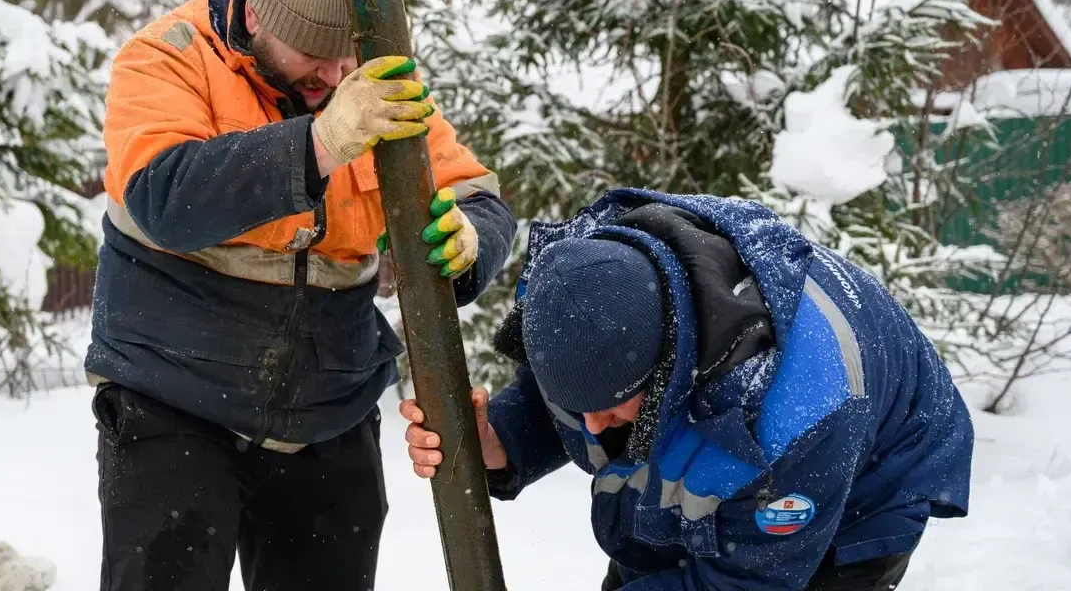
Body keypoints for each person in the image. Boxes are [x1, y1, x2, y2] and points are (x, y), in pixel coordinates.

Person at [85, 0, 515, 591]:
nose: (336, 76)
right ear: (256, 13)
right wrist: (318, 144)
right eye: (315, 56)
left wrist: (471, 242)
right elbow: (164, 197)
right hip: (174, 394)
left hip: (327, 404)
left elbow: (477, 192)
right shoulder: (168, 58)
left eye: (347, 58)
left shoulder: (371, 81)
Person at [401, 188, 973, 591]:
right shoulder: (591, 295)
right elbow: (570, 396)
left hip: (858, 498)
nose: (592, 426)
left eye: (607, 408)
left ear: (667, 368)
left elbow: (750, 583)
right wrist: (497, 439)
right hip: (726, 424)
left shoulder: (806, 408)